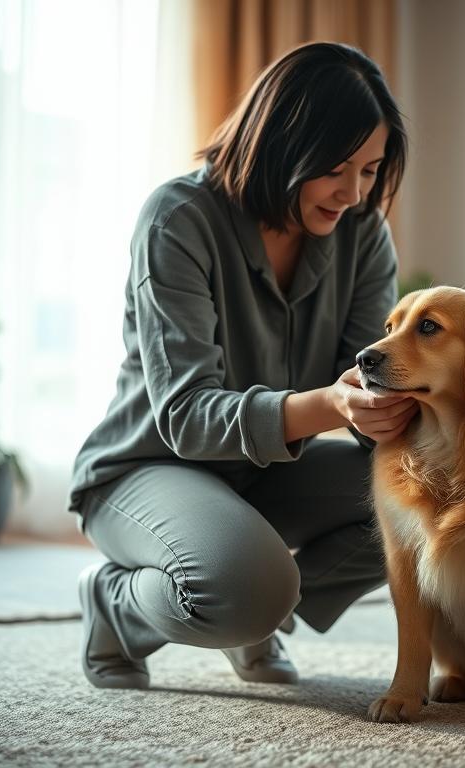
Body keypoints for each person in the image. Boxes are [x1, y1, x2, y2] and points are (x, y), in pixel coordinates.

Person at [69, 41, 415, 689]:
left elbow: (365, 381)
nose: (353, 192)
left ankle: (254, 603)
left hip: (261, 474)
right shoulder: (179, 219)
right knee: (245, 589)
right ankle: (119, 605)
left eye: (369, 170)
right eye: (336, 167)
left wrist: (391, 404)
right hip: (145, 467)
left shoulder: (362, 232)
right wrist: (330, 404)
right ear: (284, 142)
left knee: (429, 497)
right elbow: (187, 416)